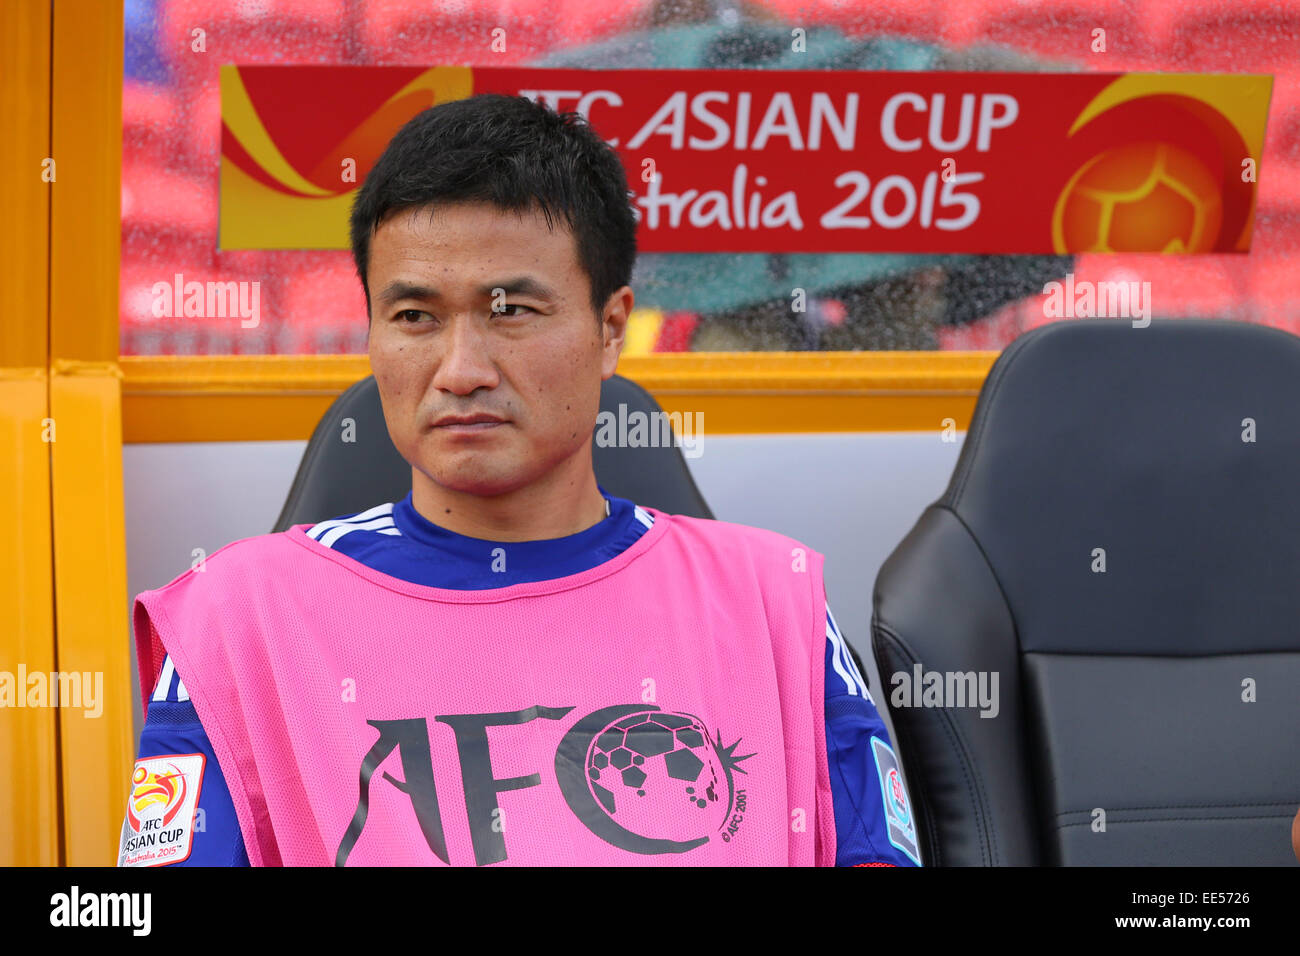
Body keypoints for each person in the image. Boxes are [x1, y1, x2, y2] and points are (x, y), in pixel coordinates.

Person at [117, 93, 921, 867]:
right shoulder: (235, 621)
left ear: (611, 330)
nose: (460, 371)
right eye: (414, 317)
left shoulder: (772, 604)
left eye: (510, 312)